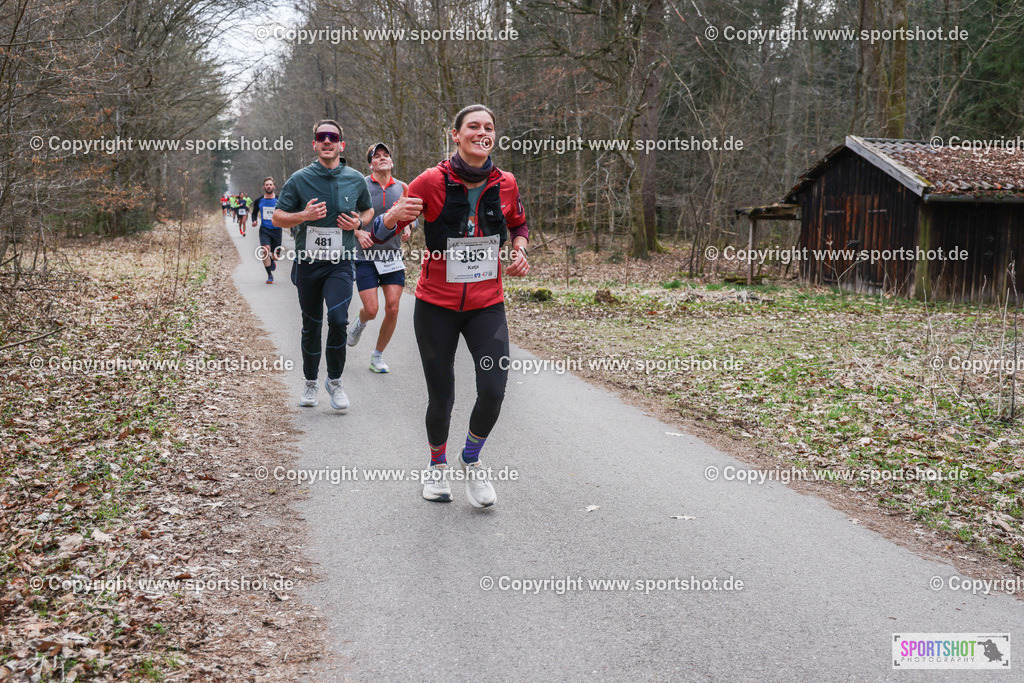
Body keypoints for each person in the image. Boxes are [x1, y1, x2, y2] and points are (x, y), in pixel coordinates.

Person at [372, 104, 530, 507]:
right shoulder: (429, 181)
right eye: (473, 126)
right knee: (442, 397)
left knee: (494, 390)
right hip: (436, 306)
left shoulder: (506, 182)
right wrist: (393, 215)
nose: (482, 132)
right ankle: (437, 466)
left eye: (489, 127)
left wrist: (519, 249)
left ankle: (471, 460)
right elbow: (379, 232)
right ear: (455, 135)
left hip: (487, 305)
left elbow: (518, 223)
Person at [272, 119, 374, 410]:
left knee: (340, 320)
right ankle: (310, 383)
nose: (327, 141)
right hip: (308, 264)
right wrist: (303, 216)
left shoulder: (355, 178)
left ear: (342, 145)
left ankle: (335, 381)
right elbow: (277, 217)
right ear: (314, 144)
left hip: (340, 264)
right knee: (312, 325)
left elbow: (368, 209)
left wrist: (359, 221)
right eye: (321, 137)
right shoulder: (300, 179)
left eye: (333, 137)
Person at [348, 143, 413, 373]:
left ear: (392, 162)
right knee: (372, 309)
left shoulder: (403, 188)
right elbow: (345, 216)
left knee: (393, 308)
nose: (382, 158)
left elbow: (410, 216)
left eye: (386, 155)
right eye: (377, 156)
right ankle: (361, 322)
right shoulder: (360, 186)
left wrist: (408, 228)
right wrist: (357, 231)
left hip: (391, 256)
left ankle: (377, 356)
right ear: (371, 164)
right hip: (364, 256)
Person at [251, 177, 280, 284]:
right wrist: (254, 221)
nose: (268, 186)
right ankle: (269, 276)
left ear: (273, 186)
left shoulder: (279, 200)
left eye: (270, 184)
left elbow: (285, 212)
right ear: (264, 187)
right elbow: (254, 213)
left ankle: (272, 260)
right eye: (266, 184)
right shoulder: (259, 200)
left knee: (276, 256)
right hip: (264, 230)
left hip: (277, 230)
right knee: (265, 249)